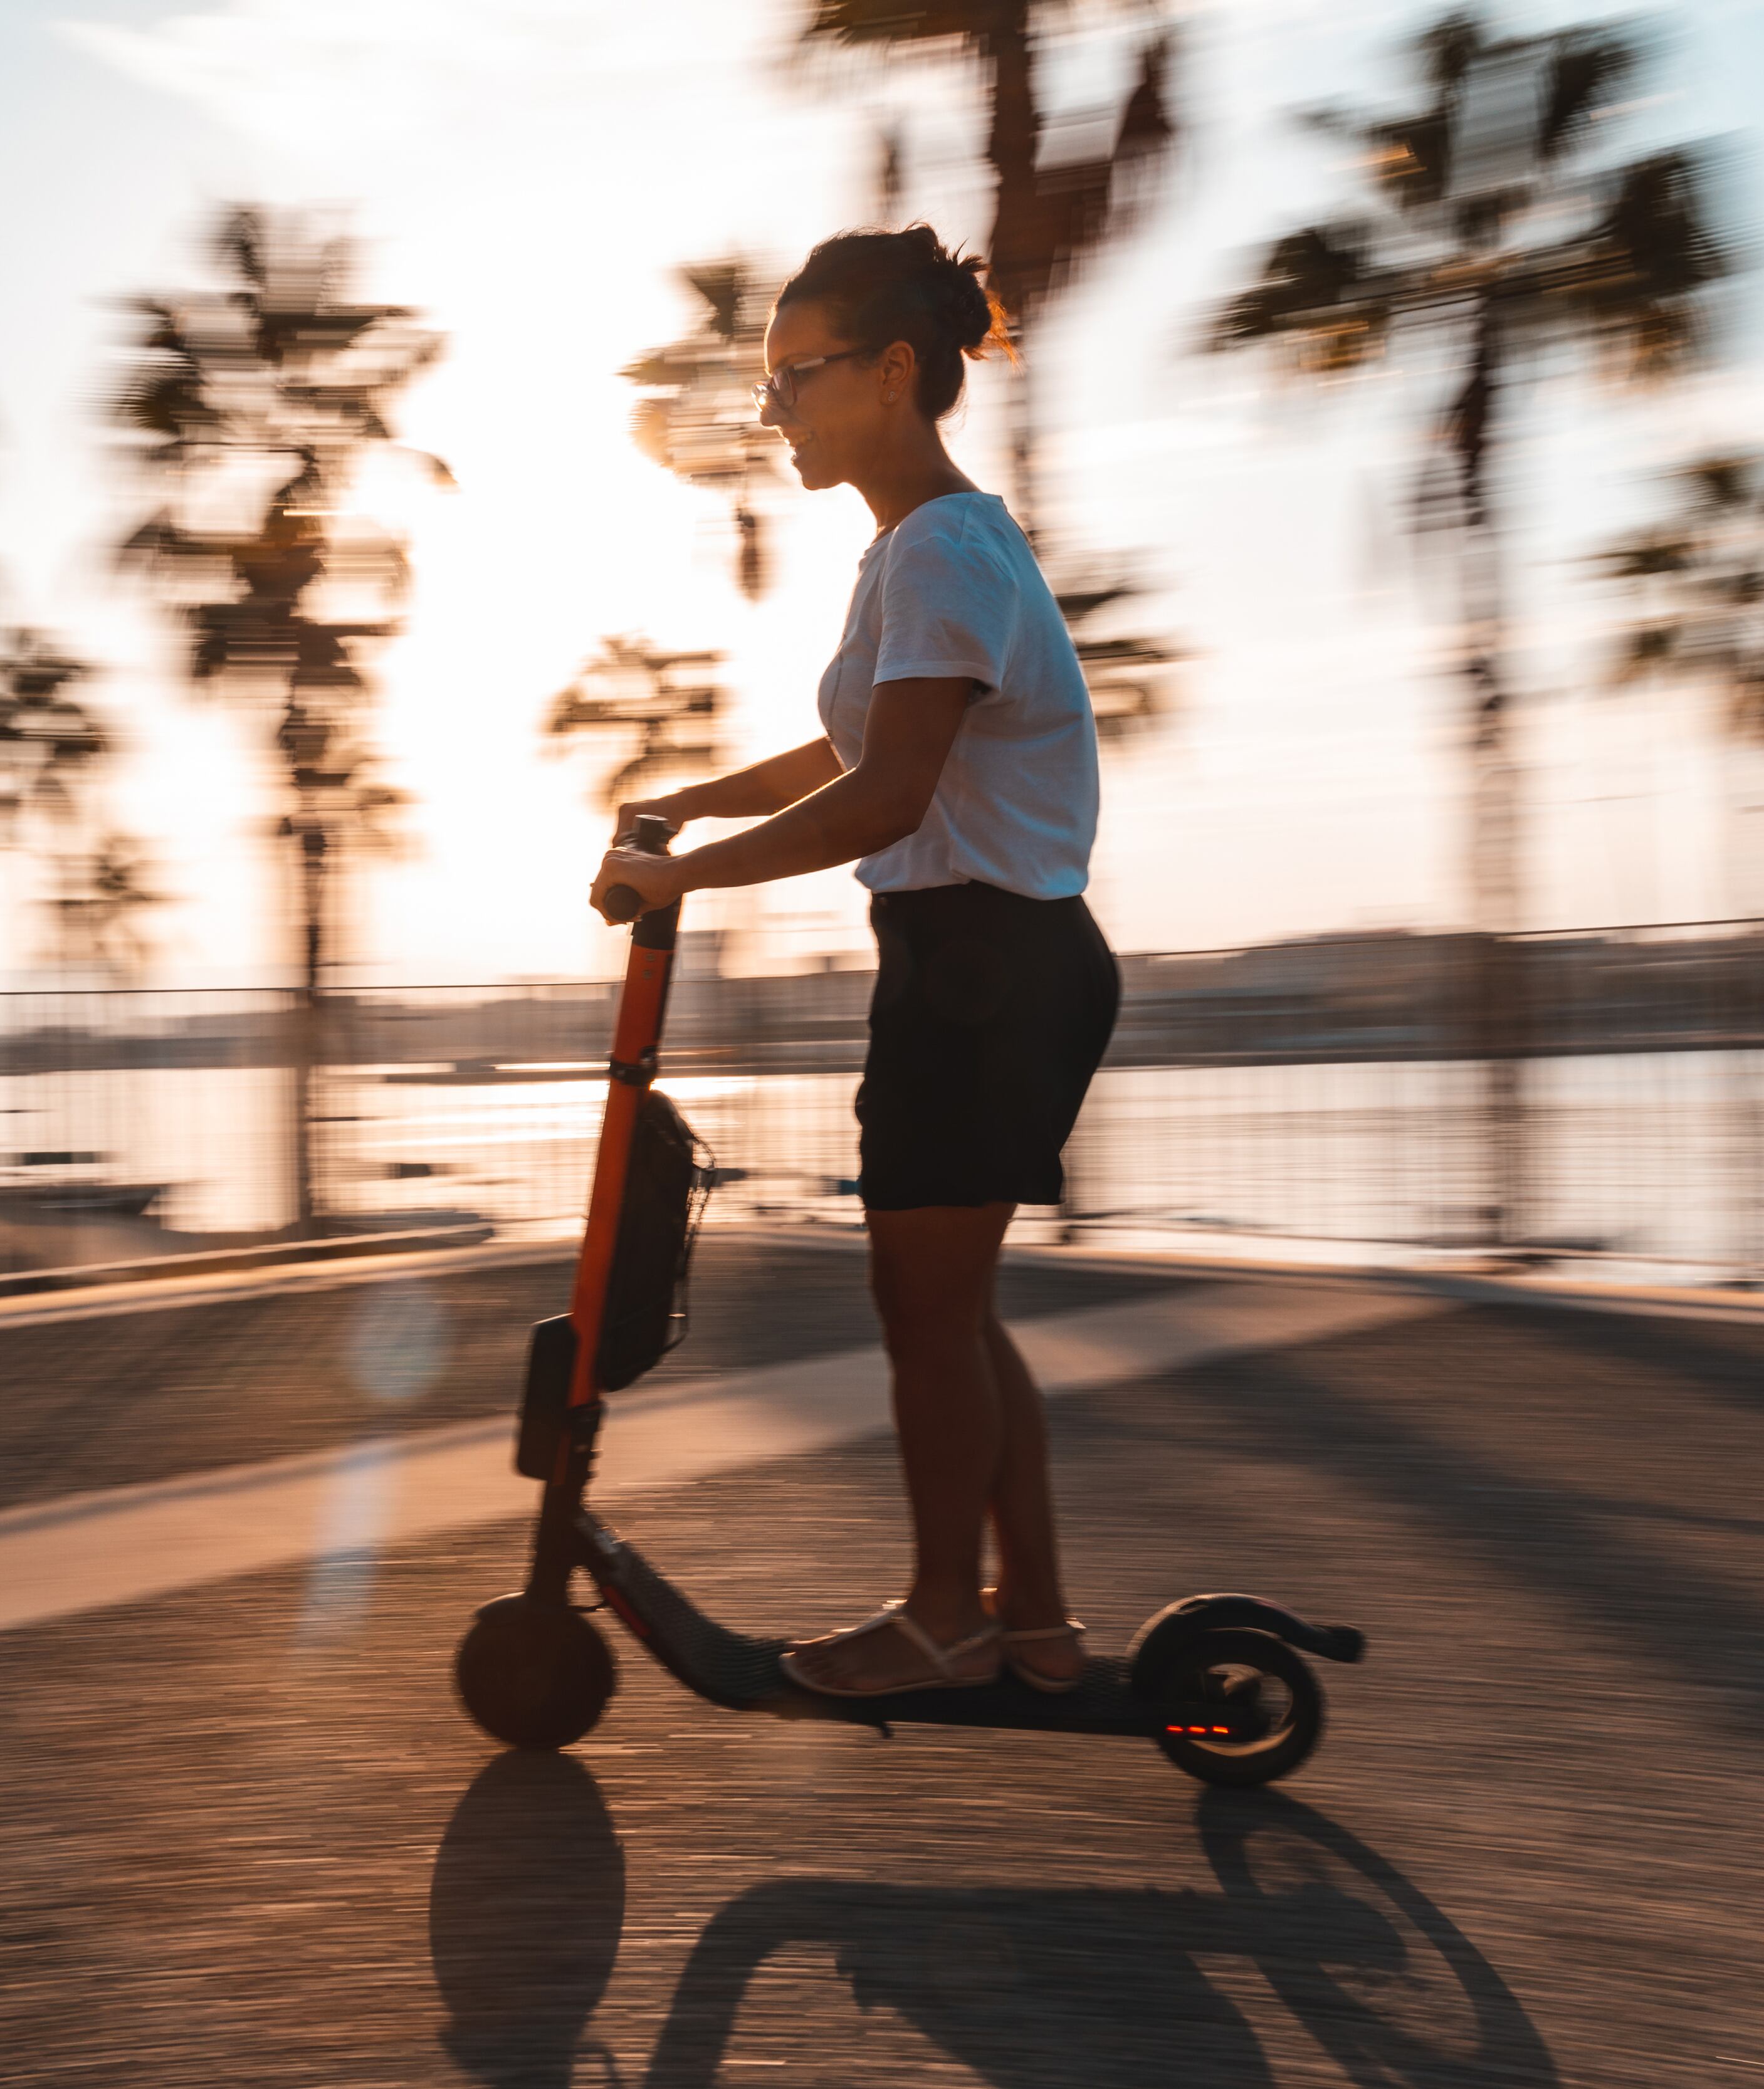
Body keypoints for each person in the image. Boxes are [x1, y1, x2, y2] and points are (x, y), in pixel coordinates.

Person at [588, 224, 1120, 1699]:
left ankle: (946, 1615)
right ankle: (1034, 1622)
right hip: (993, 958)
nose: (774, 410)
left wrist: (674, 879)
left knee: (924, 1318)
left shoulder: (943, 548)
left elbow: (887, 798)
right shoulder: (925, 547)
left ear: (893, 371)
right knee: (954, 1316)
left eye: (795, 378)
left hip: (982, 967)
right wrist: (690, 802)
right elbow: (856, 749)